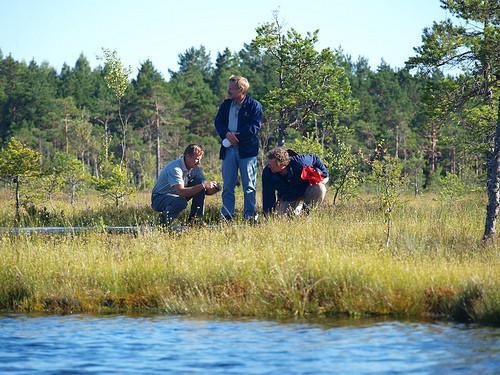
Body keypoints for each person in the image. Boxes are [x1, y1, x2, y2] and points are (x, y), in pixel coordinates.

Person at [214, 75, 263, 221]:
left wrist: (238, 136)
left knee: (249, 186)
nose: (228, 91)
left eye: (231, 89)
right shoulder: (226, 105)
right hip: (229, 150)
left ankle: (250, 217)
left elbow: (255, 126)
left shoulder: (254, 105)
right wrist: (226, 134)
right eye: (228, 88)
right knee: (228, 185)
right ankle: (227, 215)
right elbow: (218, 122)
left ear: (241, 89)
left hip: (247, 151)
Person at [151, 144, 219, 224]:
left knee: (200, 186)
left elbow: (203, 189)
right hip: (159, 198)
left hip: (176, 196)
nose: (199, 162)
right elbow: (181, 192)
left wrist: (213, 188)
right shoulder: (175, 168)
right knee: (181, 202)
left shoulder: (194, 169)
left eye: (200, 159)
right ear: (187, 156)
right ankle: (162, 224)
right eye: (196, 159)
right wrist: (203, 185)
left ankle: (195, 221)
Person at [262, 147, 329, 216]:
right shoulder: (267, 172)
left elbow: (315, 158)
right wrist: (267, 215)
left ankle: (307, 214)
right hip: (288, 196)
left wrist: (324, 174)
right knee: (282, 219)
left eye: (271, 164)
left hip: (306, 189)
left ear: (281, 165)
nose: (269, 166)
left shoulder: (300, 162)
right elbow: (268, 195)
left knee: (320, 188)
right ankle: (295, 213)